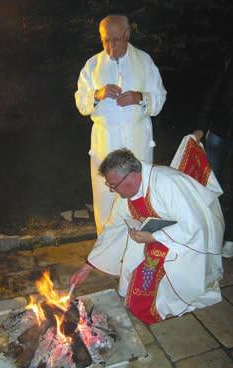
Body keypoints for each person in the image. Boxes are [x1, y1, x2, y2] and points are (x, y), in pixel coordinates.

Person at [70, 146, 224, 324]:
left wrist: (155, 237)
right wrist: (88, 265)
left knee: (145, 299)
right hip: (161, 236)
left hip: (191, 240)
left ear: (132, 176)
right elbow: (113, 228)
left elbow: (195, 224)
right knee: (133, 255)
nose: (112, 190)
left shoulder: (168, 182)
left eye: (113, 185)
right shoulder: (128, 193)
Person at [75, 14, 167, 234]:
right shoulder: (93, 65)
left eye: (115, 39)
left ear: (127, 34)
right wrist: (97, 95)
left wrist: (140, 97)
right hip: (104, 145)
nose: (110, 46)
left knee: (138, 194)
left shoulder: (144, 62)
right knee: (105, 199)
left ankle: (138, 247)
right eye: (105, 39)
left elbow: (160, 98)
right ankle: (106, 250)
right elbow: (81, 103)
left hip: (137, 143)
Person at [194, 39, 233, 258]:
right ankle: (210, 231)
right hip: (219, 130)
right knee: (209, 185)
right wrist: (201, 126)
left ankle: (232, 236)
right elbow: (213, 91)